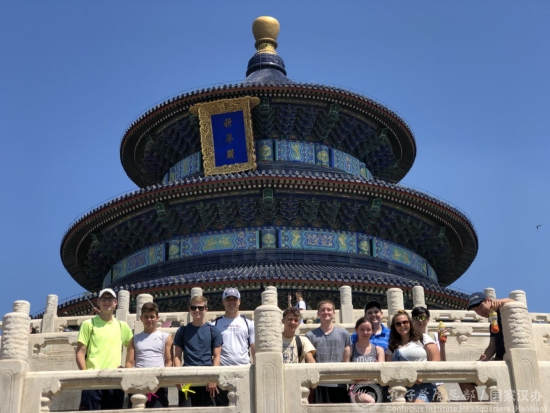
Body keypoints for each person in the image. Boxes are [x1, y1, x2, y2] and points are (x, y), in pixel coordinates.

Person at [76, 288, 133, 410]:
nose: (107, 302)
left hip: (115, 379)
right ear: (98, 302)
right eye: (103, 299)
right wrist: (85, 374)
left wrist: (127, 367)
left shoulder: (122, 326)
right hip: (92, 379)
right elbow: (80, 352)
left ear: (115, 303)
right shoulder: (88, 324)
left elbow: (132, 346)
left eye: (110, 299)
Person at [459, 292, 514, 401]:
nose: (480, 312)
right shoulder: (492, 323)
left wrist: (502, 301)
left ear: (488, 300)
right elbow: (492, 346)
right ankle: (475, 405)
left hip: (511, 360)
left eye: (480, 307)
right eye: (476, 310)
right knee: (463, 378)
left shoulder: (504, 311)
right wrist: (485, 357)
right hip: (498, 360)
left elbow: (516, 303)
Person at [173, 295, 222, 407]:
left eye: (200, 308)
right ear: (189, 309)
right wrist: (178, 376)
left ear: (206, 309)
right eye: (193, 307)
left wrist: (213, 378)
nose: (197, 310)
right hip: (187, 378)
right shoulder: (182, 330)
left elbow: (217, 356)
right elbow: (177, 356)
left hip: (207, 378)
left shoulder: (213, 331)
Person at [125, 302, 173, 408]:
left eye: (152, 317)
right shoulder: (134, 339)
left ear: (157, 318)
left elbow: (169, 361)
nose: (149, 320)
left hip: (159, 384)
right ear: (141, 318)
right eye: (146, 317)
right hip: (138, 384)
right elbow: (129, 362)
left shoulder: (165, 337)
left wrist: (161, 380)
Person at [387, 310, 440, 403]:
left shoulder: (423, 338)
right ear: (394, 327)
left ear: (410, 323)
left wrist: (423, 376)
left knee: (416, 407)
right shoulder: (392, 345)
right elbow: (389, 368)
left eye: (405, 322)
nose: (402, 325)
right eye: (398, 324)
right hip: (401, 386)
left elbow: (436, 361)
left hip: (423, 385)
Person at [213, 287, 255, 406]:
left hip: (244, 371)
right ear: (223, 302)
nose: (231, 302)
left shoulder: (249, 323)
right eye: (228, 299)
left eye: (234, 299)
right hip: (223, 372)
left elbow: (254, 349)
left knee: (245, 406)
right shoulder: (215, 324)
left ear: (239, 301)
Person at [305, 300, 351, 403]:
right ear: (318, 313)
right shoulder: (310, 336)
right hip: (319, 384)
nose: (326, 312)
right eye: (323, 310)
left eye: (329, 310)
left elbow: (346, 360)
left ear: (334, 313)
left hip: (339, 383)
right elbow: (309, 359)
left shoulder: (344, 334)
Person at [411, 306, 447, 401]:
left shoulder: (432, 339)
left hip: (432, 383)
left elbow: (442, 363)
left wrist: (442, 344)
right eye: (416, 318)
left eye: (422, 317)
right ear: (412, 320)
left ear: (427, 320)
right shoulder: (406, 338)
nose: (420, 321)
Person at [348, 317, 384, 403]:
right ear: (356, 330)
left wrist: (360, 376)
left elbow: (381, 372)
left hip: (375, 387)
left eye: (368, 330)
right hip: (356, 388)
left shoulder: (379, 350)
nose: (365, 332)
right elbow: (346, 372)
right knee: (369, 400)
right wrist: (368, 376)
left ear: (372, 331)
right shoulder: (349, 349)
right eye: (362, 329)